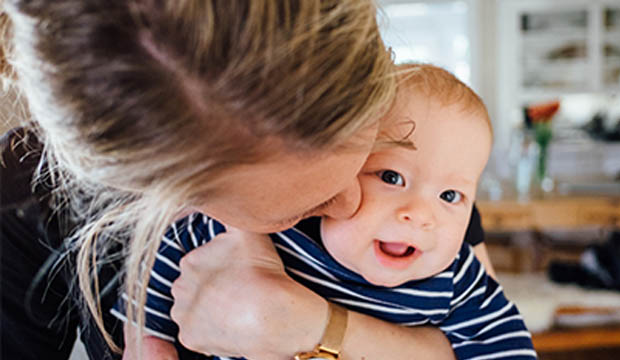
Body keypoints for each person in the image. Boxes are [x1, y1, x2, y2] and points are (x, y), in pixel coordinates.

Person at [0, 0, 495, 359]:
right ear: (163, 196)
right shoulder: (18, 207)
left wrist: (320, 330)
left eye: (369, 160)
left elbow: (490, 337)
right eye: (304, 206)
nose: (353, 202)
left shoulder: (418, 166)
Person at [118, 64, 536, 360]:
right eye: (390, 177)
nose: (420, 213)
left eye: (450, 197)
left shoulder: (455, 278)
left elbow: (505, 347)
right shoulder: (279, 224)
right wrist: (149, 346)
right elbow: (156, 281)